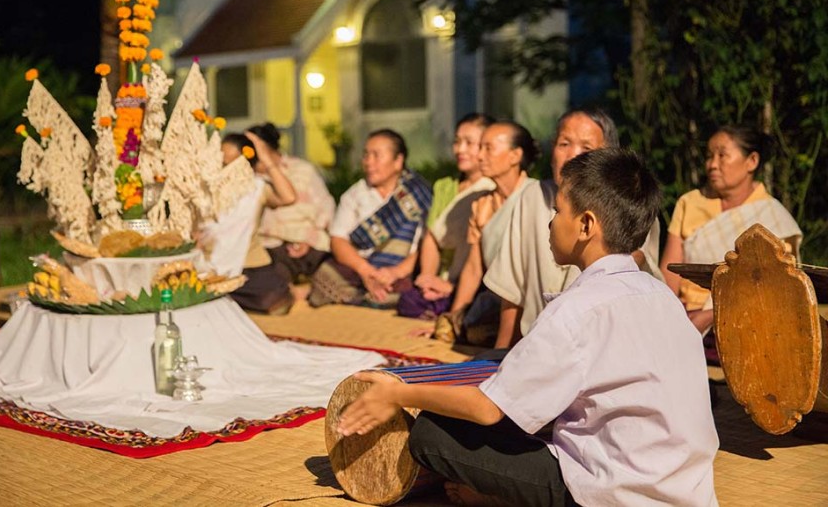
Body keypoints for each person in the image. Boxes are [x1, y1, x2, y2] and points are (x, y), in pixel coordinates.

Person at [337, 149, 719, 507]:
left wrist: (399, 393)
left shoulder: (577, 309)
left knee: (432, 435)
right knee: (498, 360)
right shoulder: (661, 296)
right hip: (686, 485)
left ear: (586, 225)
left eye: (557, 212)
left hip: (611, 490)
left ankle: (504, 496)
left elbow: (488, 410)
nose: (551, 223)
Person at [484, 108, 662, 349]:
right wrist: (501, 355)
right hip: (536, 346)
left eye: (586, 148)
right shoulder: (531, 197)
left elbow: (637, 269)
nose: (572, 156)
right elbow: (512, 290)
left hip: (600, 348)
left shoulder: (627, 206)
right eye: (564, 143)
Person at [660, 125, 802, 334]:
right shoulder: (689, 202)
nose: (712, 165)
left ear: (752, 161)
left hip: (745, 320)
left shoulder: (773, 217)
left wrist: (711, 316)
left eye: (722, 156)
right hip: (684, 315)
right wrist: (668, 314)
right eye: (709, 156)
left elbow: (774, 287)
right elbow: (669, 272)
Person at [429, 121, 539, 345]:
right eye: (481, 148)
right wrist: (453, 317)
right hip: (495, 300)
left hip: (530, 300)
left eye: (488, 148)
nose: (480, 156)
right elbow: (473, 267)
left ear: (515, 155)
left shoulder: (537, 197)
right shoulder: (482, 205)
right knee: (469, 328)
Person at [309, 129, 432, 308]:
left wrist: (395, 272)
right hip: (361, 269)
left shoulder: (418, 194)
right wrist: (366, 272)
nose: (368, 162)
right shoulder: (355, 195)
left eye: (376, 155)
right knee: (326, 274)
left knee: (412, 290)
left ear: (398, 161)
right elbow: (338, 240)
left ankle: (371, 297)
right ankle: (369, 295)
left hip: (403, 270)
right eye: (366, 155)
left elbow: (427, 244)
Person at [396, 114, 495, 319]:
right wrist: (428, 277)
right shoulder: (445, 186)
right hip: (439, 274)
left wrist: (451, 286)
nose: (460, 149)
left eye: (469, 143)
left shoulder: (493, 190)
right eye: (457, 141)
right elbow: (432, 236)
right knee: (408, 301)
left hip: (472, 282)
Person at [203, 131, 297, 315]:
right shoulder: (205, 189)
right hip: (210, 266)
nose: (225, 170)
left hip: (248, 267)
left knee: (274, 301)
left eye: (232, 164)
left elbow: (289, 197)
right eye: (222, 163)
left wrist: (267, 159)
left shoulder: (257, 188)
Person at [246, 123, 335, 283]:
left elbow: (326, 209)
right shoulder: (247, 178)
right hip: (270, 247)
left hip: (309, 243)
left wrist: (308, 240)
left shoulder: (302, 170)